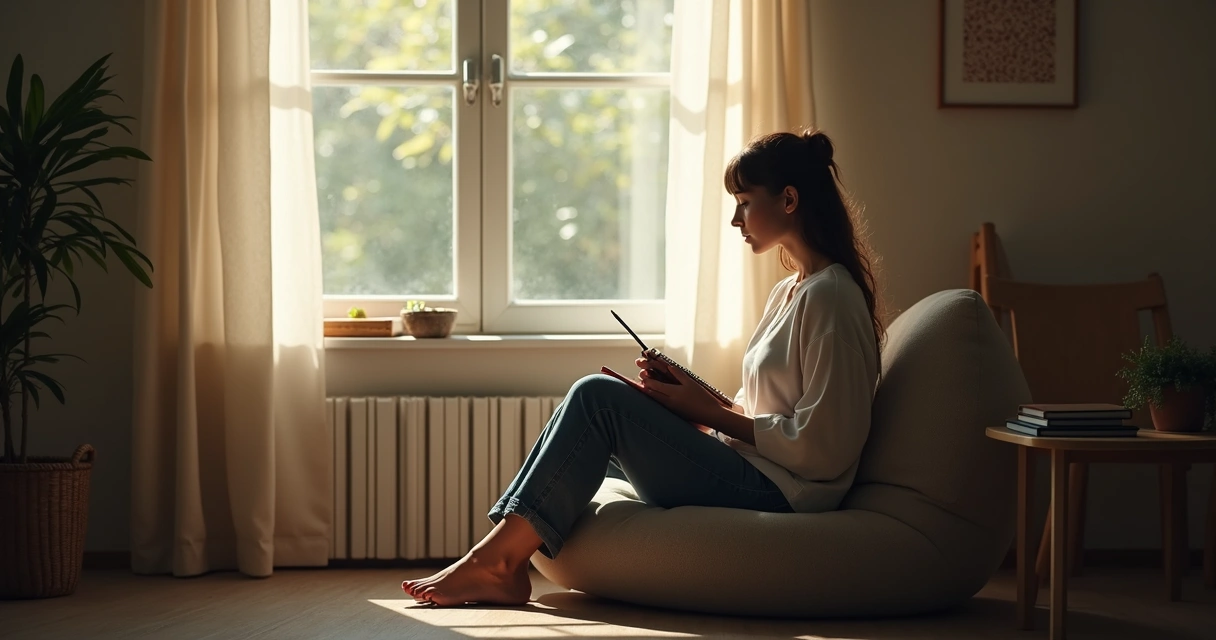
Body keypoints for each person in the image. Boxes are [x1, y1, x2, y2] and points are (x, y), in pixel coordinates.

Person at [402, 129, 884, 606]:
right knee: (581, 423)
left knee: (596, 399)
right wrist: (694, 400)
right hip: (756, 466)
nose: (737, 219)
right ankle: (496, 558)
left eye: (743, 201)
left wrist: (714, 416)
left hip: (785, 492)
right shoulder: (791, 291)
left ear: (789, 199)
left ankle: (497, 565)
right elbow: (765, 409)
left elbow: (824, 447)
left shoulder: (832, 298)